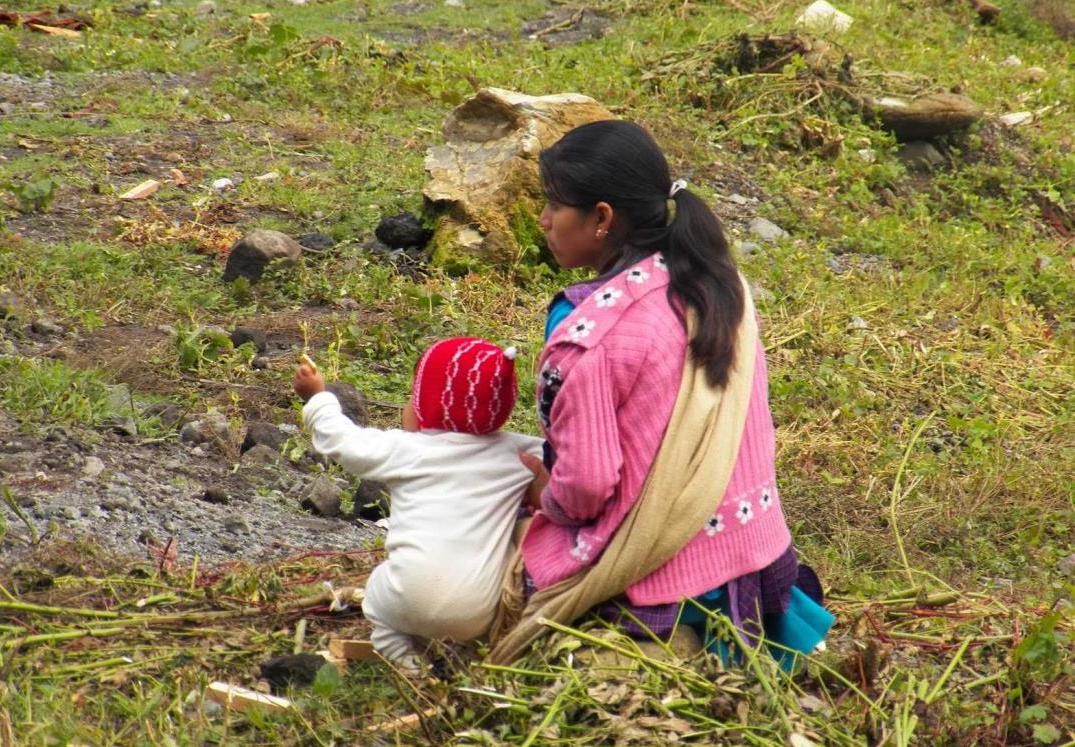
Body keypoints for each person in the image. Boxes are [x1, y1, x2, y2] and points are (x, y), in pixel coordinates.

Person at [488, 120, 833, 670]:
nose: (544, 220)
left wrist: (543, 493)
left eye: (554, 205)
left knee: (499, 556)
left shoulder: (587, 333)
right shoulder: (718, 282)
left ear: (602, 218)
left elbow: (586, 488)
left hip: (664, 569)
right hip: (752, 550)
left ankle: (663, 645)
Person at [294, 338, 543, 671]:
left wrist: (318, 398)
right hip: (482, 611)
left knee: (377, 604)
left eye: (415, 396)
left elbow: (344, 441)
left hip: (405, 595)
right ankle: (473, 660)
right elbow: (563, 464)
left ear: (430, 405)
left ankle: (410, 664)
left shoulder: (408, 450)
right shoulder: (520, 455)